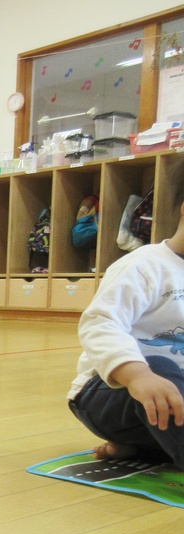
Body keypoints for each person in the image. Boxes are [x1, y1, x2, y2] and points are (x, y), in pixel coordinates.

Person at [68, 158, 184, 468]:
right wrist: (138, 375)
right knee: (159, 367)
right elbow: (100, 324)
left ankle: (144, 447)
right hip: (111, 392)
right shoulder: (144, 266)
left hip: (168, 408)